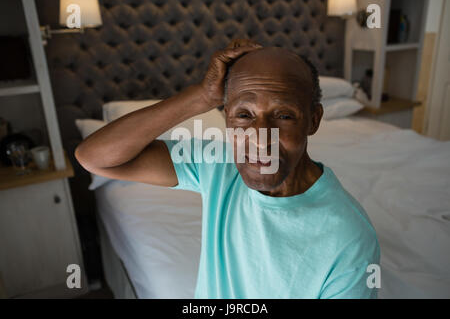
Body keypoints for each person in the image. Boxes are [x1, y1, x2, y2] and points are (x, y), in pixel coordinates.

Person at [75, 39, 380, 299]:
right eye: (244, 115)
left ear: (313, 120)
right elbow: (94, 157)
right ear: (225, 117)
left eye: (284, 115)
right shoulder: (217, 163)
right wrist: (202, 96)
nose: (260, 140)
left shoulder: (349, 239)